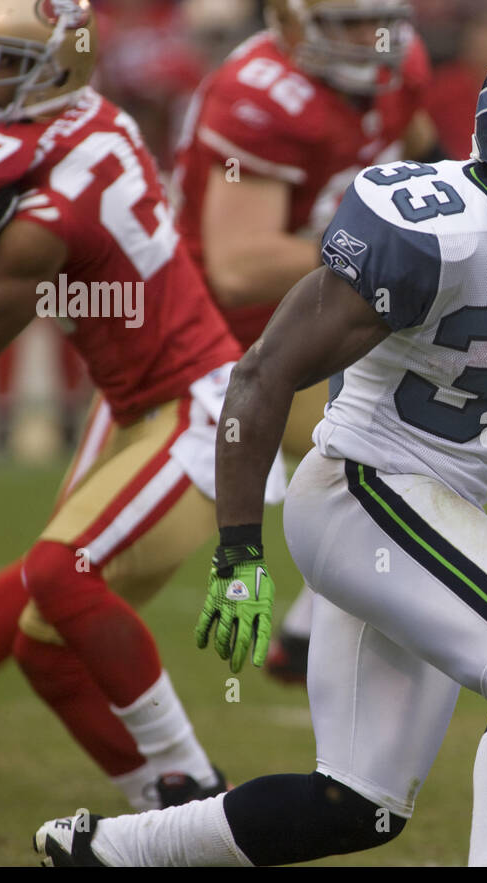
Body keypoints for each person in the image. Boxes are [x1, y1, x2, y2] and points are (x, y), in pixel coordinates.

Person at [34, 34, 487, 868]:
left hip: (439, 507)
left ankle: (109, 852)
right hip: (363, 488)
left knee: (356, 807)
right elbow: (262, 375)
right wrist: (239, 550)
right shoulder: (433, 233)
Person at [0, 0, 280, 811]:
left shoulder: (52, 205)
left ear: (52, 69)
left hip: (195, 407)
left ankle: (196, 784)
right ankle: (156, 803)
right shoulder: (69, 122)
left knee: (64, 574)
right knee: (46, 634)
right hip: (132, 396)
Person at [171, 0, 435, 682]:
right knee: (97, 570)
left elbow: (422, 149)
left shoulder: (400, 66)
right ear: (291, 23)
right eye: (347, 23)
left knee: (403, 470)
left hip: (316, 323)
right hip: (215, 343)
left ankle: (303, 634)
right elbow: (237, 267)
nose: (369, 39)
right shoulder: (261, 97)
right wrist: (381, 247)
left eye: (377, 20)